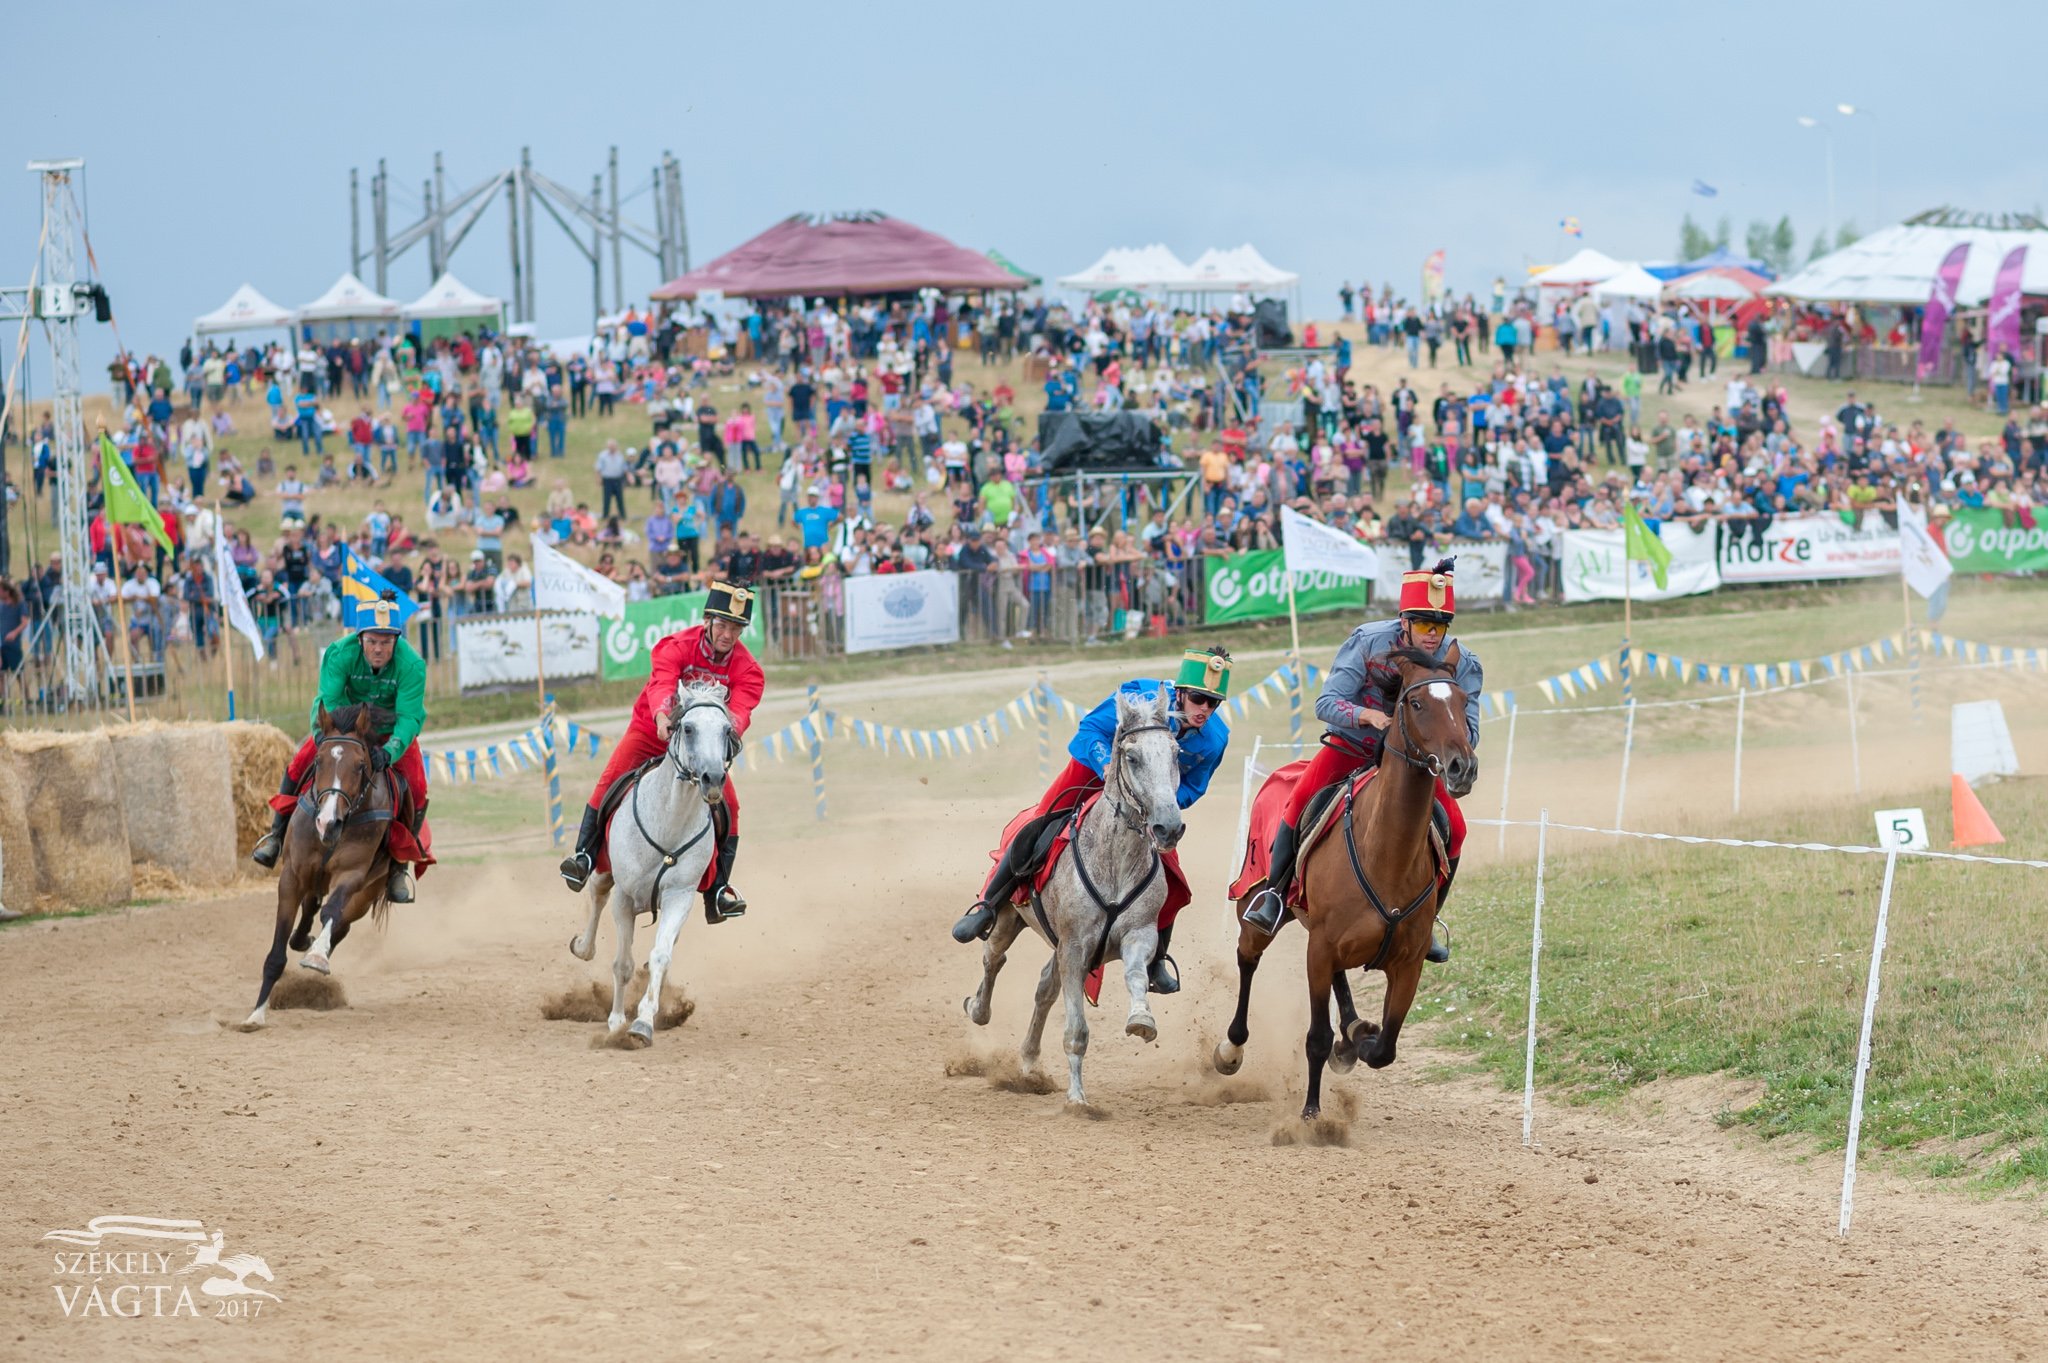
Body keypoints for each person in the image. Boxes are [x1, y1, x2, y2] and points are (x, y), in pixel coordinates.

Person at [949, 648, 1233, 995]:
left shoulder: (1216, 738)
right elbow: (1089, 732)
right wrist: (1106, 767)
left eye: (1214, 703)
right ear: (1180, 692)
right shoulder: (1136, 697)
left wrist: (1162, 803)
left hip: (1145, 800)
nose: (1205, 709)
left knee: (1169, 868)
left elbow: (1194, 786)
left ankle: (1156, 957)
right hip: (1093, 770)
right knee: (1037, 824)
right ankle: (988, 906)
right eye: (1200, 699)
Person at [1241, 561, 1481, 953]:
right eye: (1423, 623)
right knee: (1299, 801)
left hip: (1416, 765)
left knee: (1456, 826)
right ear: (1404, 621)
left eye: (1440, 625)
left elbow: (1470, 730)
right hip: (1351, 748)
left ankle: (1429, 917)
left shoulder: (1464, 663)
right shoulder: (1368, 641)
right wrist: (1366, 716)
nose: (1432, 634)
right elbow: (1326, 703)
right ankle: (1273, 895)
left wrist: (1450, 741)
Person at [558, 582, 763, 922]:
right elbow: (662, 682)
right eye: (723, 625)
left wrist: (729, 735)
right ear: (708, 620)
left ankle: (718, 891)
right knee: (609, 780)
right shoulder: (676, 646)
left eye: (736, 628)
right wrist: (661, 716)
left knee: (732, 806)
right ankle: (584, 857)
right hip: (651, 731)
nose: (728, 634)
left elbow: (740, 712)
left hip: (700, 749)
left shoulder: (749, 669)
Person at [248, 592, 432, 903]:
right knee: (298, 764)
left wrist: (390, 752)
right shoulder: (338, 654)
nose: (379, 648)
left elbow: (410, 716)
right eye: (373, 640)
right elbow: (327, 700)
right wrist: (324, 735)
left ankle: (398, 866)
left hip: (390, 733)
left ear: (396, 640)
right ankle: (276, 836)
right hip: (343, 728)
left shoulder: (412, 665)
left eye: (387, 642)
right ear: (360, 638)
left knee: (417, 785)